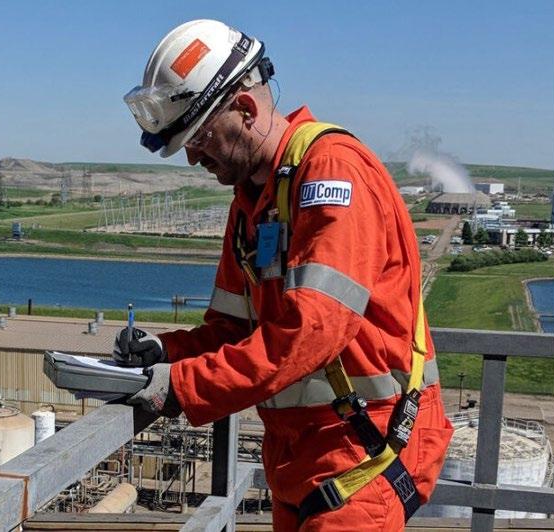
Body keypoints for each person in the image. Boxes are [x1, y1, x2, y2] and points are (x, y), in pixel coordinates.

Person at [116, 19, 454, 530]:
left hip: (364, 448)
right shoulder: (253, 202)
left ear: (246, 110)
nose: (192, 157)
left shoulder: (332, 173)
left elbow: (311, 331)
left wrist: (183, 387)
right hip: (301, 453)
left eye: (200, 137)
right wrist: (168, 352)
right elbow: (233, 330)